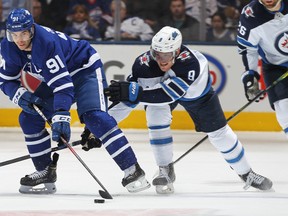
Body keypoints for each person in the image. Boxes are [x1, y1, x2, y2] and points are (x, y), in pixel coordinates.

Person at [104, 26, 273, 193]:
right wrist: (103, 125)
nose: (162, 59)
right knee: (155, 116)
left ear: (177, 52)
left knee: (220, 133)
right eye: (157, 54)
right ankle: (165, 169)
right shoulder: (143, 65)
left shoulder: (190, 63)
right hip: (163, 92)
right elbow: (127, 101)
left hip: (198, 96)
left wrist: (134, 94)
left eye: (167, 54)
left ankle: (247, 173)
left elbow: (165, 96)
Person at [0, 8, 150, 194]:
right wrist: (19, 94)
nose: (20, 39)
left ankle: (132, 170)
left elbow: (63, 86)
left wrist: (61, 116)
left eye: (24, 33)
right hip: (56, 78)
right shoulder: (8, 46)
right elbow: (6, 79)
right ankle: (45, 170)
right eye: (14, 34)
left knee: (95, 117)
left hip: (84, 69)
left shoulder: (45, 43)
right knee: (29, 118)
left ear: (32, 29)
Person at [237, 2, 288, 137]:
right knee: (285, 111)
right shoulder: (250, 15)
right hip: (276, 67)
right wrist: (250, 75)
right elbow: (248, 49)